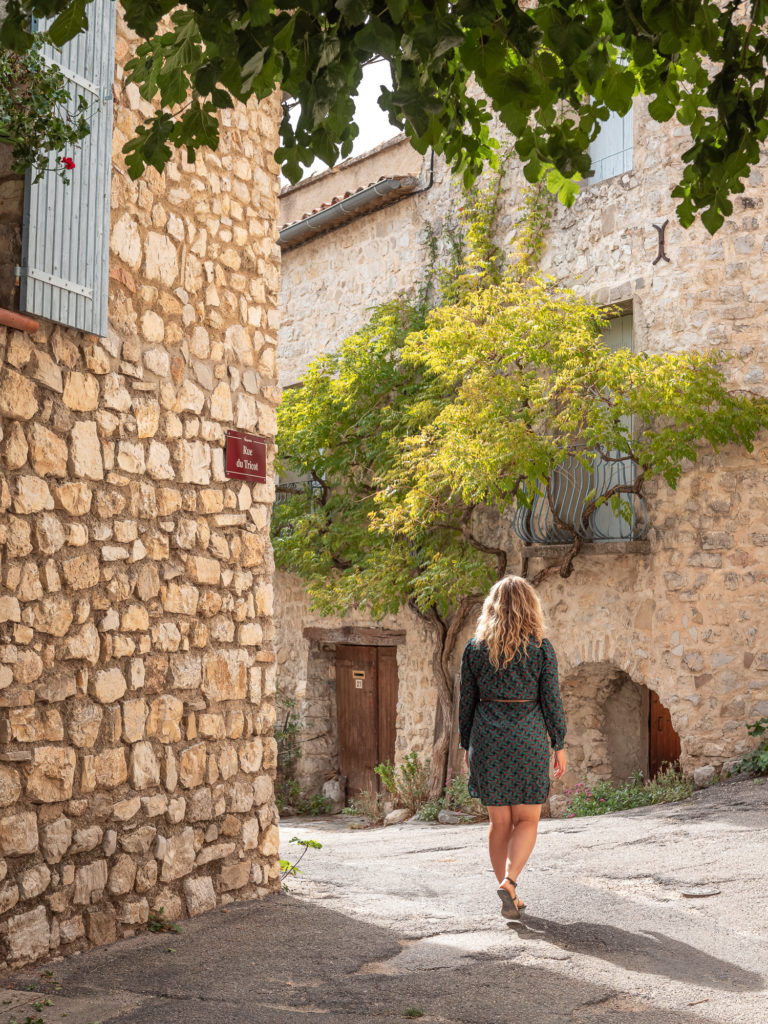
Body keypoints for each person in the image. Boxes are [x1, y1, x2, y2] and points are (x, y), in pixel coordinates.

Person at [459, 575, 567, 920]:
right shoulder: (541, 649)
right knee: (528, 820)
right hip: (528, 736)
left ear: (492, 607)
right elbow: (552, 700)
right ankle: (510, 882)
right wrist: (559, 744)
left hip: (487, 738)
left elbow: (466, 702)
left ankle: (507, 892)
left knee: (499, 822)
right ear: (529, 607)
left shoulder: (475, 649)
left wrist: (466, 744)